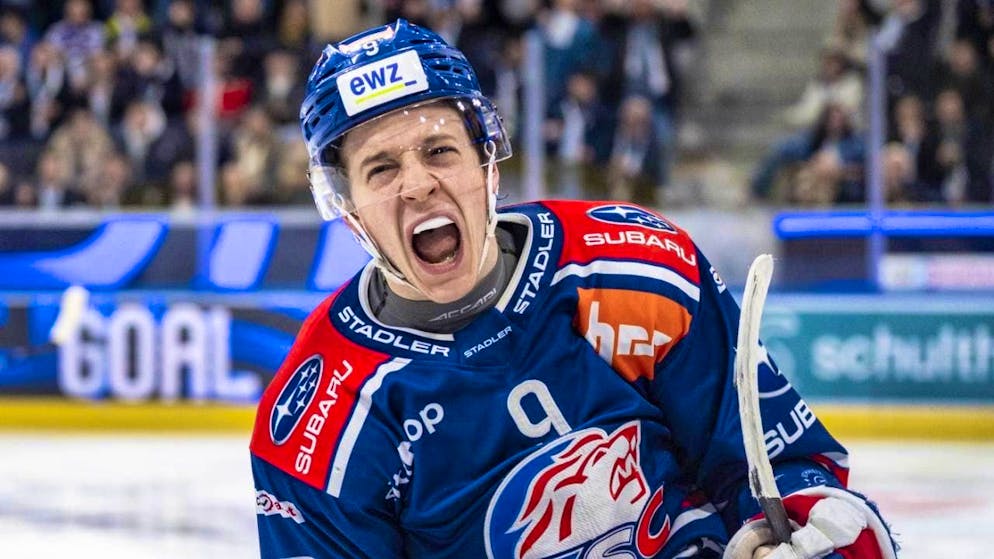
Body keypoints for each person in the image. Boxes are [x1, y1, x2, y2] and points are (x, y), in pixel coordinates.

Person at [250, 20, 897, 559]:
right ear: (350, 211)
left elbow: (777, 463)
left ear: (485, 160)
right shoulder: (320, 427)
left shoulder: (633, 268)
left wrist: (813, 524)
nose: (417, 184)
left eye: (439, 151)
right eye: (381, 168)